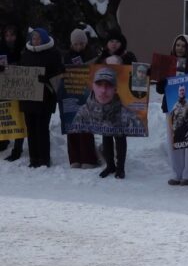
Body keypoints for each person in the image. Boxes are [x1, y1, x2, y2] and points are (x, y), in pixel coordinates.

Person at [17, 28, 63, 168]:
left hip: (45, 97)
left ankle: (44, 159)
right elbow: (19, 71)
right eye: (33, 38)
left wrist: (47, 79)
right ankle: (33, 158)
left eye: (38, 38)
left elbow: (60, 74)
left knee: (42, 129)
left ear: (44, 38)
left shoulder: (53, 54)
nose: (35, 41)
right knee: (30, 129)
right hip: (28, 98)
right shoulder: (25, 53)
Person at [159, 34, 188, 186]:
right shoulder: (167, 64)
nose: (180, 48)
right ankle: (176, 173)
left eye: (183, 46)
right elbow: (160, 88)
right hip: (171, 106)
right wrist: (162, 77)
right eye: (178, 45)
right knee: (173, 140)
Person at [96, 30, 137, 179]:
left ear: (122, 43)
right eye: (111, 41)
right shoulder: (101, 58)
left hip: (122, 101)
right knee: (106, 135)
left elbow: (139, 74)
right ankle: (110, 165)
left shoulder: (128, 56)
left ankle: (121, 167)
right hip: (105, 101)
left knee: (119, 135)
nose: (113, 44)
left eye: (117, 41)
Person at [61, 28, 100, 169]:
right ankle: (75, 159)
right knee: (72, 127)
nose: (79, 47)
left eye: (81, 44)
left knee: (85, 128)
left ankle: (88, 159)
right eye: (76, 44)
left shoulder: (91, 55)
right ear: (72, 44)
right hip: (71, 94)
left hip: (87, 95)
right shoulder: (66, 56)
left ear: (86, 43)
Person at [0, 24, 26, 161]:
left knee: (18, 116)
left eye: (12, 35)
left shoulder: (23, 48)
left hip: (20, 87)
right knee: (5, 114)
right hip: (3, 88)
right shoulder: (1, 48)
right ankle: (3, 141)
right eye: (7, 35)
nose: (10, 38)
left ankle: (18, 147)